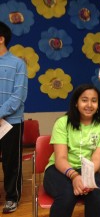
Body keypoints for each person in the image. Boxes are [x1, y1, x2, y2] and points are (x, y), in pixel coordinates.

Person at [43, 84, 100, 217]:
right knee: (67, 194)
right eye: (84, 100)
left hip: (88, 169)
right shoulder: (63, 123)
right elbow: (60, 158)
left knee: (97, 194)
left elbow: (97, 158)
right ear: (76, 102)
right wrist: (75, 176)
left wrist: (87, 178)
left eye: (94, 100)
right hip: (60, 169)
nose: (89, 105)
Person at [0, 21, 28, 213]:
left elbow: (18, 96)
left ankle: (12, 197)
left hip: (11, 122)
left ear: (1, 39)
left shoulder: (18, 64)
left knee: (11, 163)